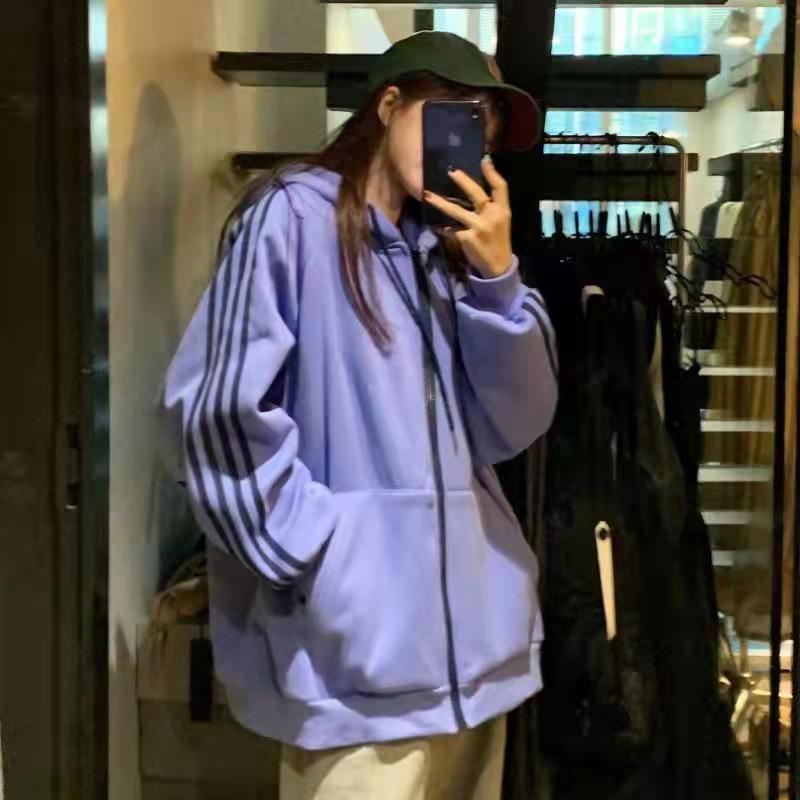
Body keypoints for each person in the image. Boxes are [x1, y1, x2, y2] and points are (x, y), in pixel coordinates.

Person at [160, 30, 558, 800]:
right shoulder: (289, 217)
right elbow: (215, 418)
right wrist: (324, 558)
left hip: (478, 673)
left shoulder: (447, 254)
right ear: (388, 104)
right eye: (458, 113)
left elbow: (516, 423)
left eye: (486, 129)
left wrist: (499, 279)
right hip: (354, 680)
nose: (473, 143)